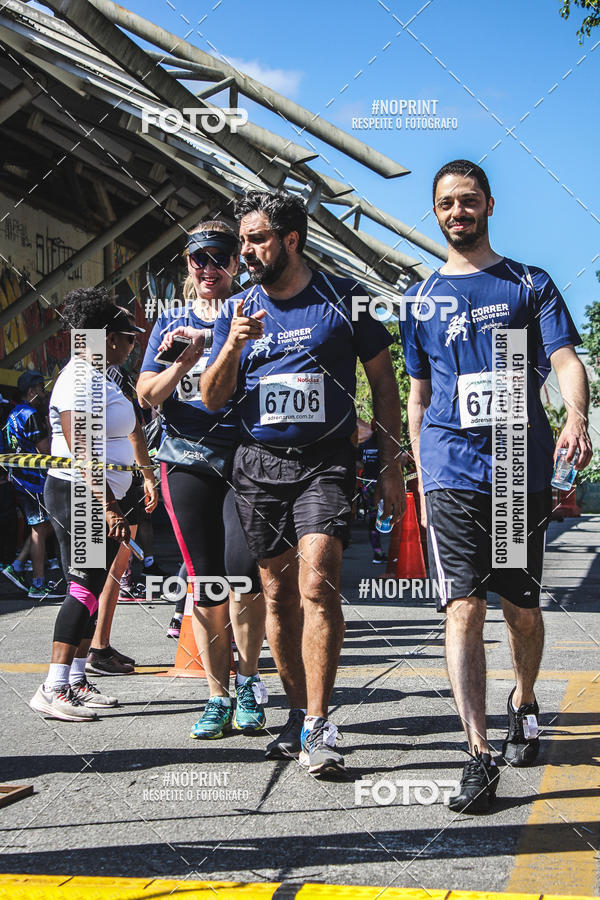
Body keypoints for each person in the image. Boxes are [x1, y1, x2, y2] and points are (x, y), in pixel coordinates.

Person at [399, 159, 592, 811]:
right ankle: (477, 754)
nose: (459, 211)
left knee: (520, 609)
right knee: (463, 608)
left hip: (516, 468)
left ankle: (526, 700)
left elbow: (567, 359)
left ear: (488, 205)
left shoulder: (527, 285)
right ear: (436, 213)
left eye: (470, 200)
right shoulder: (422, 300)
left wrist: (578, 415)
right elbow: (419, 396)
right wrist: (423, 474)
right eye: (447, 203)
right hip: (451, 471)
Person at [201, 190, 406, 776]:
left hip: (326, 462)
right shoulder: (237, 310)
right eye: (243, 241)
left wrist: (390, 465)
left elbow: (385, 388)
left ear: (291, 240)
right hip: (259, 465)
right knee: (277, 595)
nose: (245, 251)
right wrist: (234, 345)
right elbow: (213, 399)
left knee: (320, 585)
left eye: (257, 239)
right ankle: (294, 714)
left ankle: (319, 721)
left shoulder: (347, 298)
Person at [137, 220, 266, 740]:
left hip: (246, 460)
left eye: (219, 257)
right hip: (185, 461)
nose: (209, 268)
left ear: (236, 262)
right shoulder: (169, 320)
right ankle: (217, 694)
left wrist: (212, 336)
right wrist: (183, 359)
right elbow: (147, 392)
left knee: (244, 574)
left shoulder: (254, 307)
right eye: (199, 259)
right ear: (187, 264)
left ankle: (252, 683)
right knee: (206, 582)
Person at [29, 289, 153, 721]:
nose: (132, 343)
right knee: (82, 588)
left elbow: (131, 429)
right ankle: (54, 685)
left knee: (94, 588)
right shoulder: (80, 380)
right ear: (105, 337)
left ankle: (77, 678)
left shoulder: (101, 375)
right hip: (80, 495)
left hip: (99, 495)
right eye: (128, 337)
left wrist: (144, 474)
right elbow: (81, 452)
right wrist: (108, 506)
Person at [86, 361, 158, 676]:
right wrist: (147, 474)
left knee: (104, 572)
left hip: (108, 484)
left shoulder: (88, 383)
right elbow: (135, 432)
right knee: (109, 572)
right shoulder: (111, 383)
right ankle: (95, 648)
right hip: (114, 487)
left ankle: (98, 644)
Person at [2, 371, 62, 600]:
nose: (44, 392)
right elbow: (45, 451)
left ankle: (16, 566)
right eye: (40, 388)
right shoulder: (31, 414)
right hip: (34, 482)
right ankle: (38, 584)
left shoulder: (14, 413)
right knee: (39, 529)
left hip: (21, 479)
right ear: (31, 391)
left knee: (44, 525)